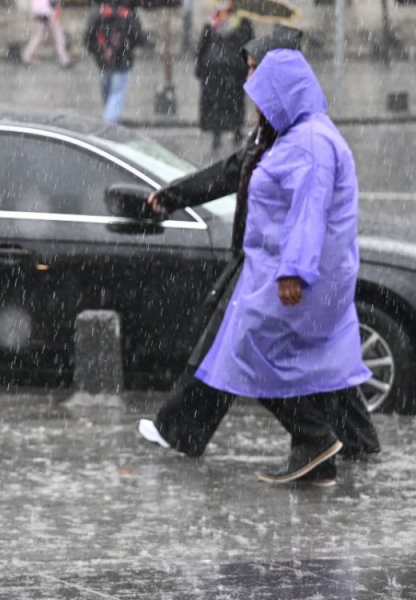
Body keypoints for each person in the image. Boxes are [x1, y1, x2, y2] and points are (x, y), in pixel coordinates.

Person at [140, 44, 379, 486]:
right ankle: (319, 457)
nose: (256, 109)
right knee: (292, 361)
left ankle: (315, 439)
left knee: (249, 352)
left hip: (294, 277)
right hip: (277, 271)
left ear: (284, 97)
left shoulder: (309, 144)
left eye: (263, 98)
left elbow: (310, 212)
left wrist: (294, 270)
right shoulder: (296, 135)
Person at [195, 0, 253, 150]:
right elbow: (249, 46)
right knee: (235, 101)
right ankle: (237, 131)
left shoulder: (211, 23)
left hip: (213, 69)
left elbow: (202, 48)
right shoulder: (243, 24)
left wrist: (200, 69)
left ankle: (217, 135)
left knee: (216, 102)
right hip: (235, 69)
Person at [84, 0, 145, 124]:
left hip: (103, 64)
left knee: (109, 98)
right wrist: (128, 45)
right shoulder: (129, 15)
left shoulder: (99, 14)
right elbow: (139, 38)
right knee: (116, 96)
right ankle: (110, 125)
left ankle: (110, 120)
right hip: (123, 63)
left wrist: (101, 52)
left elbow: (88, 40)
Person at [20, 0, 71, 68]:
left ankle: (26, 56)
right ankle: (64, 59)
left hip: (40, 17)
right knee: (58, 38)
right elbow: (54, 3)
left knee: (37, 37)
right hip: (50, 17)